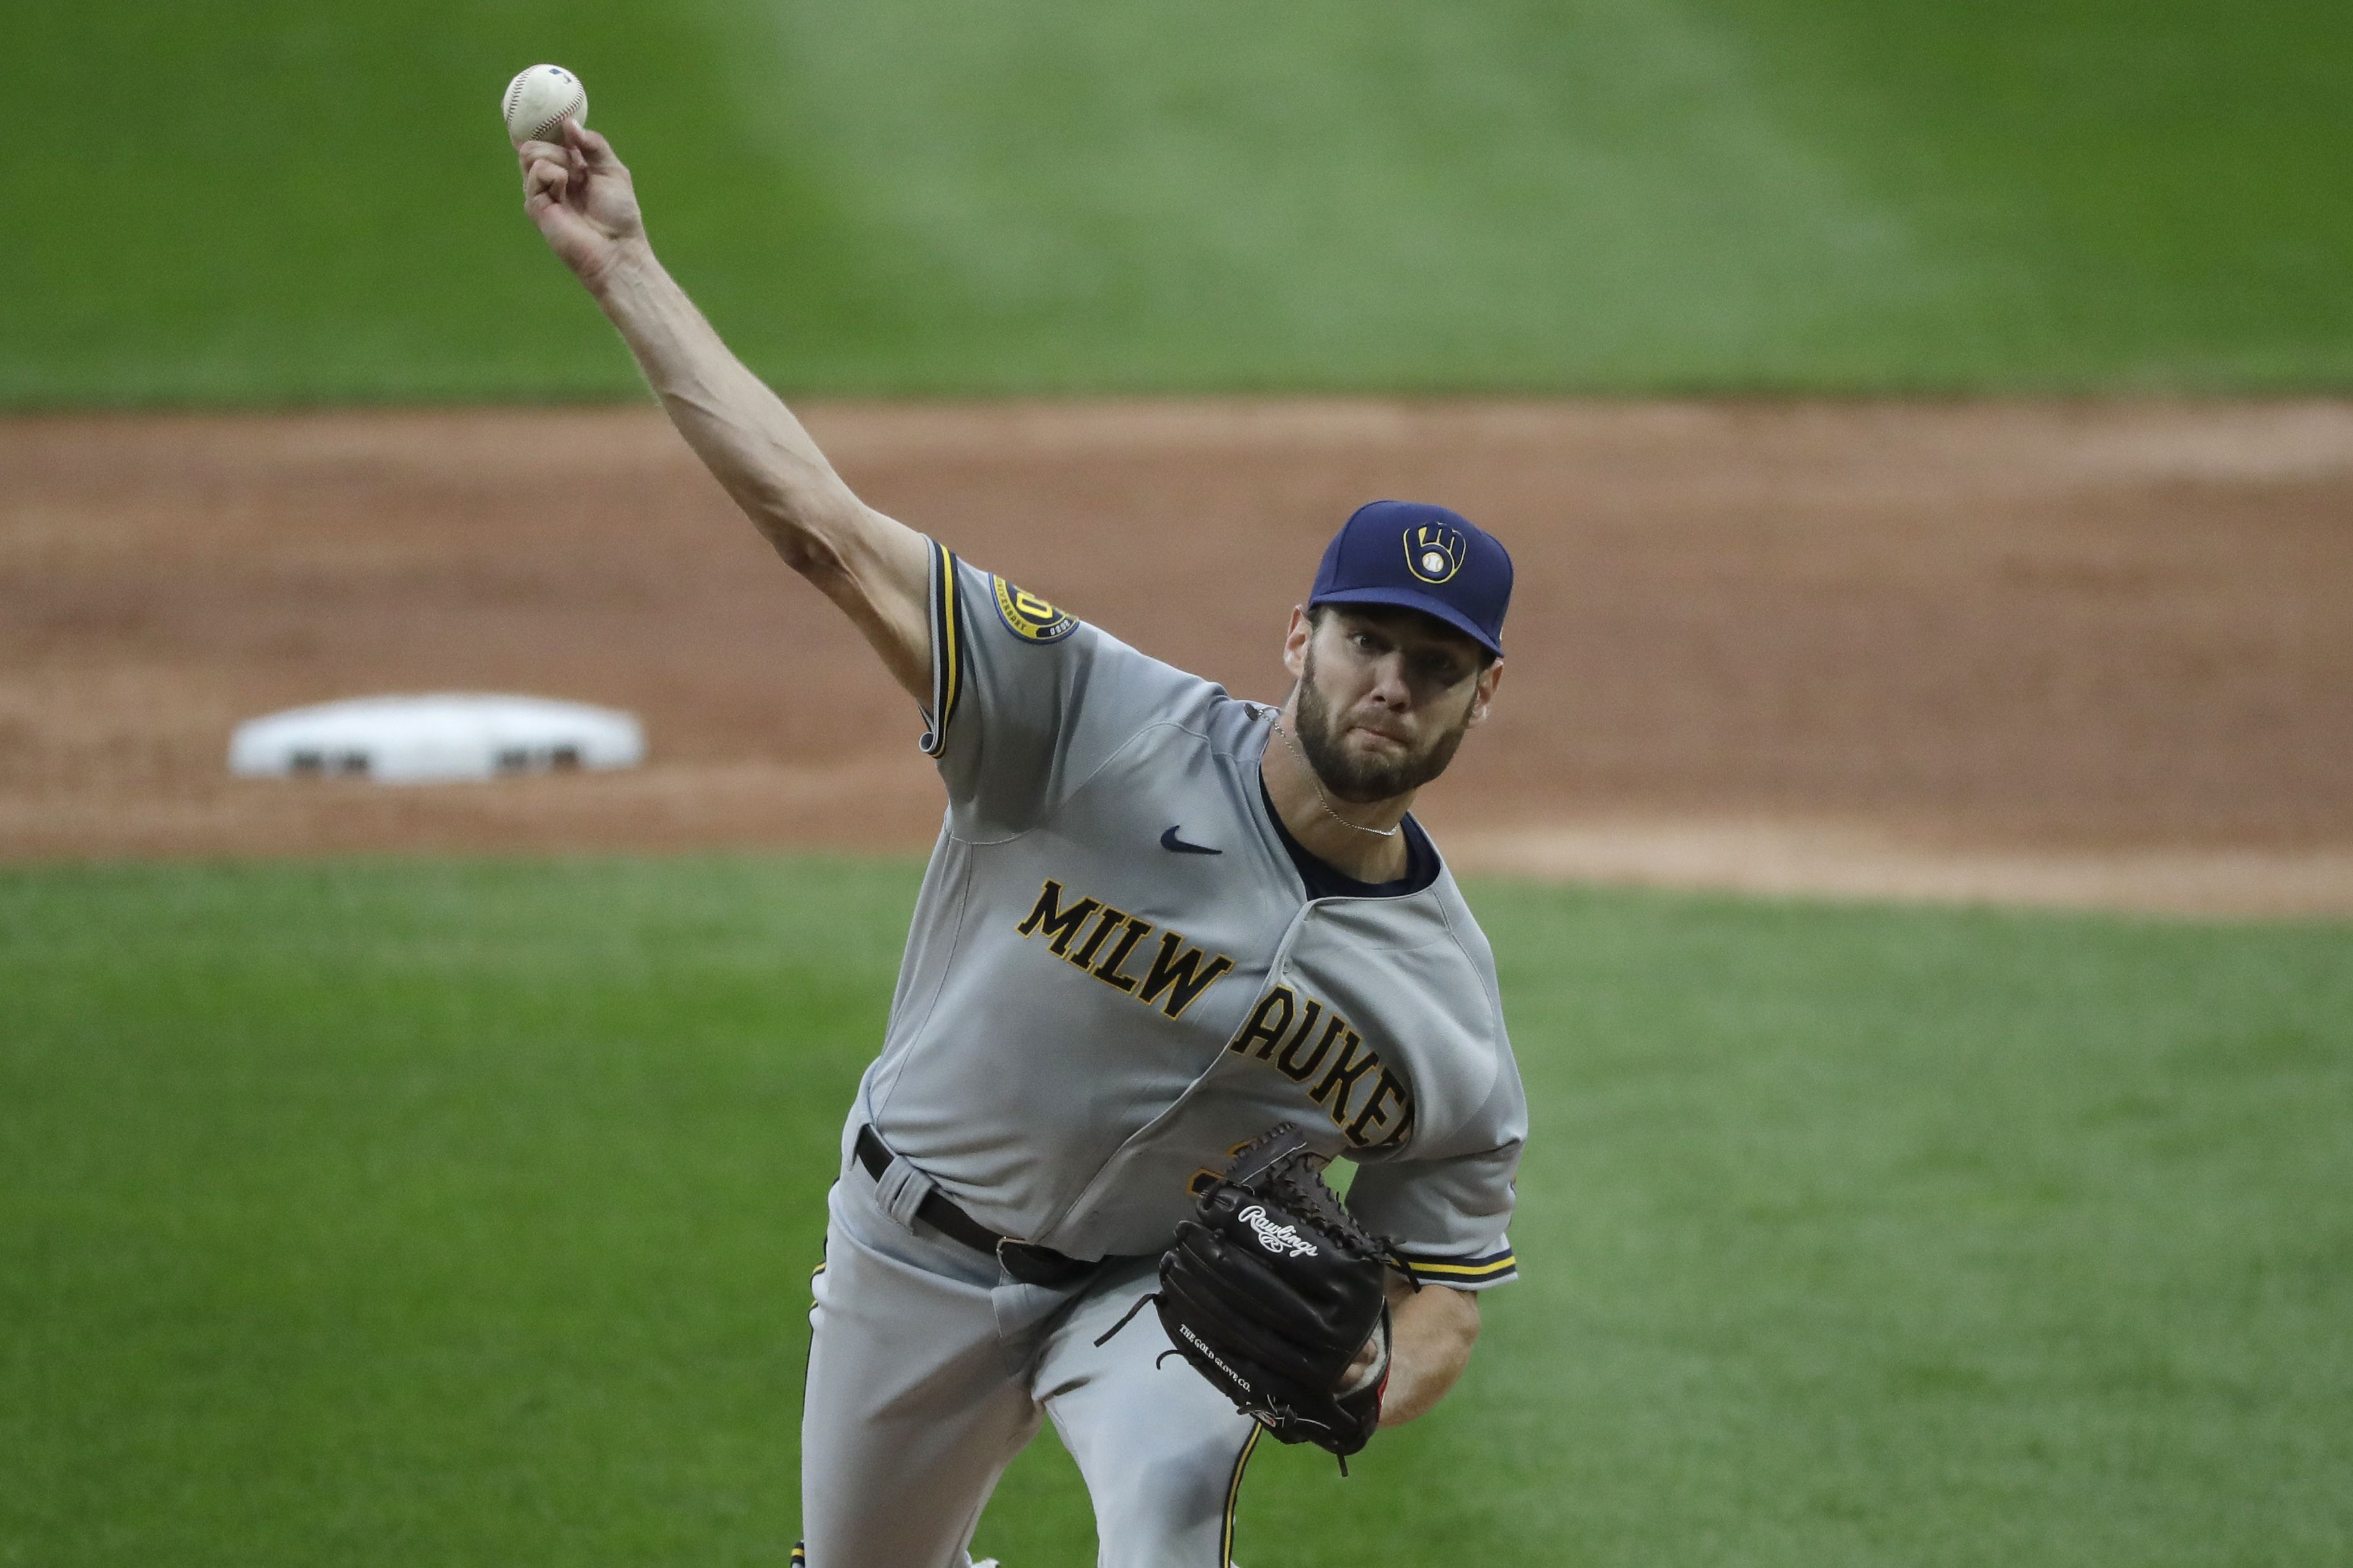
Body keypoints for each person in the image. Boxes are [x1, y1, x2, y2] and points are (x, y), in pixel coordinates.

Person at [517, 119, 1526, 1568]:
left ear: (1483, 696)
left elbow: (1446, 1290)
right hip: (912, 1244)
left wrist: (1370, 1380)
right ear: (1301, 635)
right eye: (1371, 641)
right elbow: (827, 531)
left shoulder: (1444, 1008)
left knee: (1171, 1515)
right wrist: (624, 265)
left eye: (1437, 667)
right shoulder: (1087, 716)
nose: (1394, 685)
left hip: (1155, 1302)